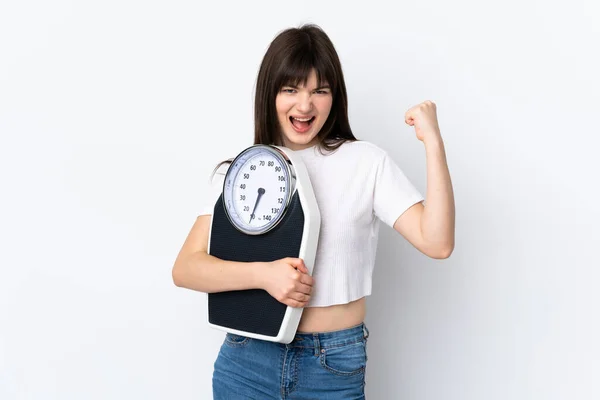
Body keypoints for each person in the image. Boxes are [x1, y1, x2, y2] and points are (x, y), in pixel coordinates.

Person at [172, 23, 455, 399]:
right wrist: (265, 276)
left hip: (332, 365)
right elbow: (186, 268)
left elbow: (437, 242)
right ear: (270, 94)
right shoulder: (241, 171)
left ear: (333, 97)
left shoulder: (365, 162)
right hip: (246, 362)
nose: (304, 106)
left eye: (318, 91)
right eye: (290, 89)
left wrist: (433, 142)